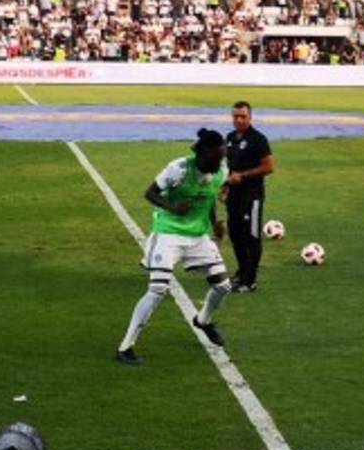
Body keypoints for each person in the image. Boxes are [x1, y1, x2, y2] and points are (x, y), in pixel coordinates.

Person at [117, 129, 232, 366]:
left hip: (198, 236)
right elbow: (149, 193)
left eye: (223, 156)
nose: (221, 161)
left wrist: (215, 227)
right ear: (205, 153)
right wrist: (171, 207)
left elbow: (209, 199)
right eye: (217, 156)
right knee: (158, 289)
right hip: (168, 233)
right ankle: (126, 347)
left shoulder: (221, 171)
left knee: (223, 286)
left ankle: (203, 320)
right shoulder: (178, 168)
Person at [224, 101, 275, 292]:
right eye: (235, 116)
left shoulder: (258, 139)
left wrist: (243, 176)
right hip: (234, 196)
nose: (238, 120)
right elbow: (229, 167)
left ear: (250, 117)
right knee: (236, 235)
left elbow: (269, 167)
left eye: (242, 116)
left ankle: (250, 280)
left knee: (251, 237)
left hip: (251, 197)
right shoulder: (229, 138)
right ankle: (242, 271)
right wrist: (226, 187)